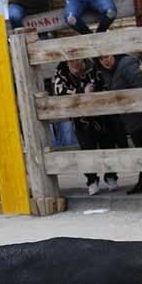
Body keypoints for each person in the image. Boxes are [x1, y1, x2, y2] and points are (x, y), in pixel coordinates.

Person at [53, 58, 118, 194]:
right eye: (70, 62)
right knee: (86, 149)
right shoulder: (61, 72)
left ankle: (111, 176)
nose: (74, 64)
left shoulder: (93, 68)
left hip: (100, 115)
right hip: (80, 119)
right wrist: (82, 90)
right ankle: (92, 180)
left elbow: (103, 86)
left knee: (108, 145)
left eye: (77, 61)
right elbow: (59, 93)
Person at [97, 53, 142, 194]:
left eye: (107, 56)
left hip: (140, 115)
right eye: (101, 59)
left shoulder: (125, 64)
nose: (105, 61)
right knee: (140, 147)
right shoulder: (116, 68)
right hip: (134, 117)